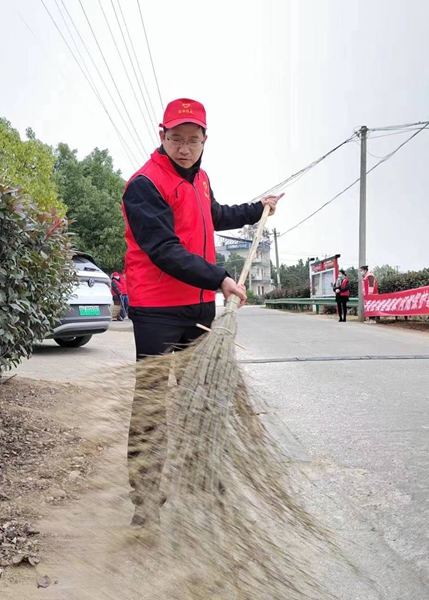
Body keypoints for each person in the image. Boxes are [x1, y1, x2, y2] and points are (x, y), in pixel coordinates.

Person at [121, 97, 283, 526]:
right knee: (153, 404)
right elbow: (164, 250)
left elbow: (214, 216)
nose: (185, 148)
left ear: (205, 141)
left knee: (202, 398)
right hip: (156, 310)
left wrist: (258, 208)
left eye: (193, 140)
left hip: (197, 308)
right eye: (177, 139)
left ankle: (201, 480)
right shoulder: (144, 184)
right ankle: (147, 497)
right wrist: (221, 278)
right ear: (162, 136)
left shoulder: (202, 179)